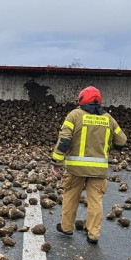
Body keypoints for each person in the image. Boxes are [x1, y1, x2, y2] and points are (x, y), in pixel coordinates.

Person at [51, 86, 127, 243]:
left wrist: (56, 162)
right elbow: (122, 141)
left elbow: (64, 140)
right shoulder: (108, 119)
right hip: (98, 171)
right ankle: (93, 234)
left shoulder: (74, 115)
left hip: (75, 169)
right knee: (95, 202)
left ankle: (67, 228)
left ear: (81, 99)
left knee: (71, 197)